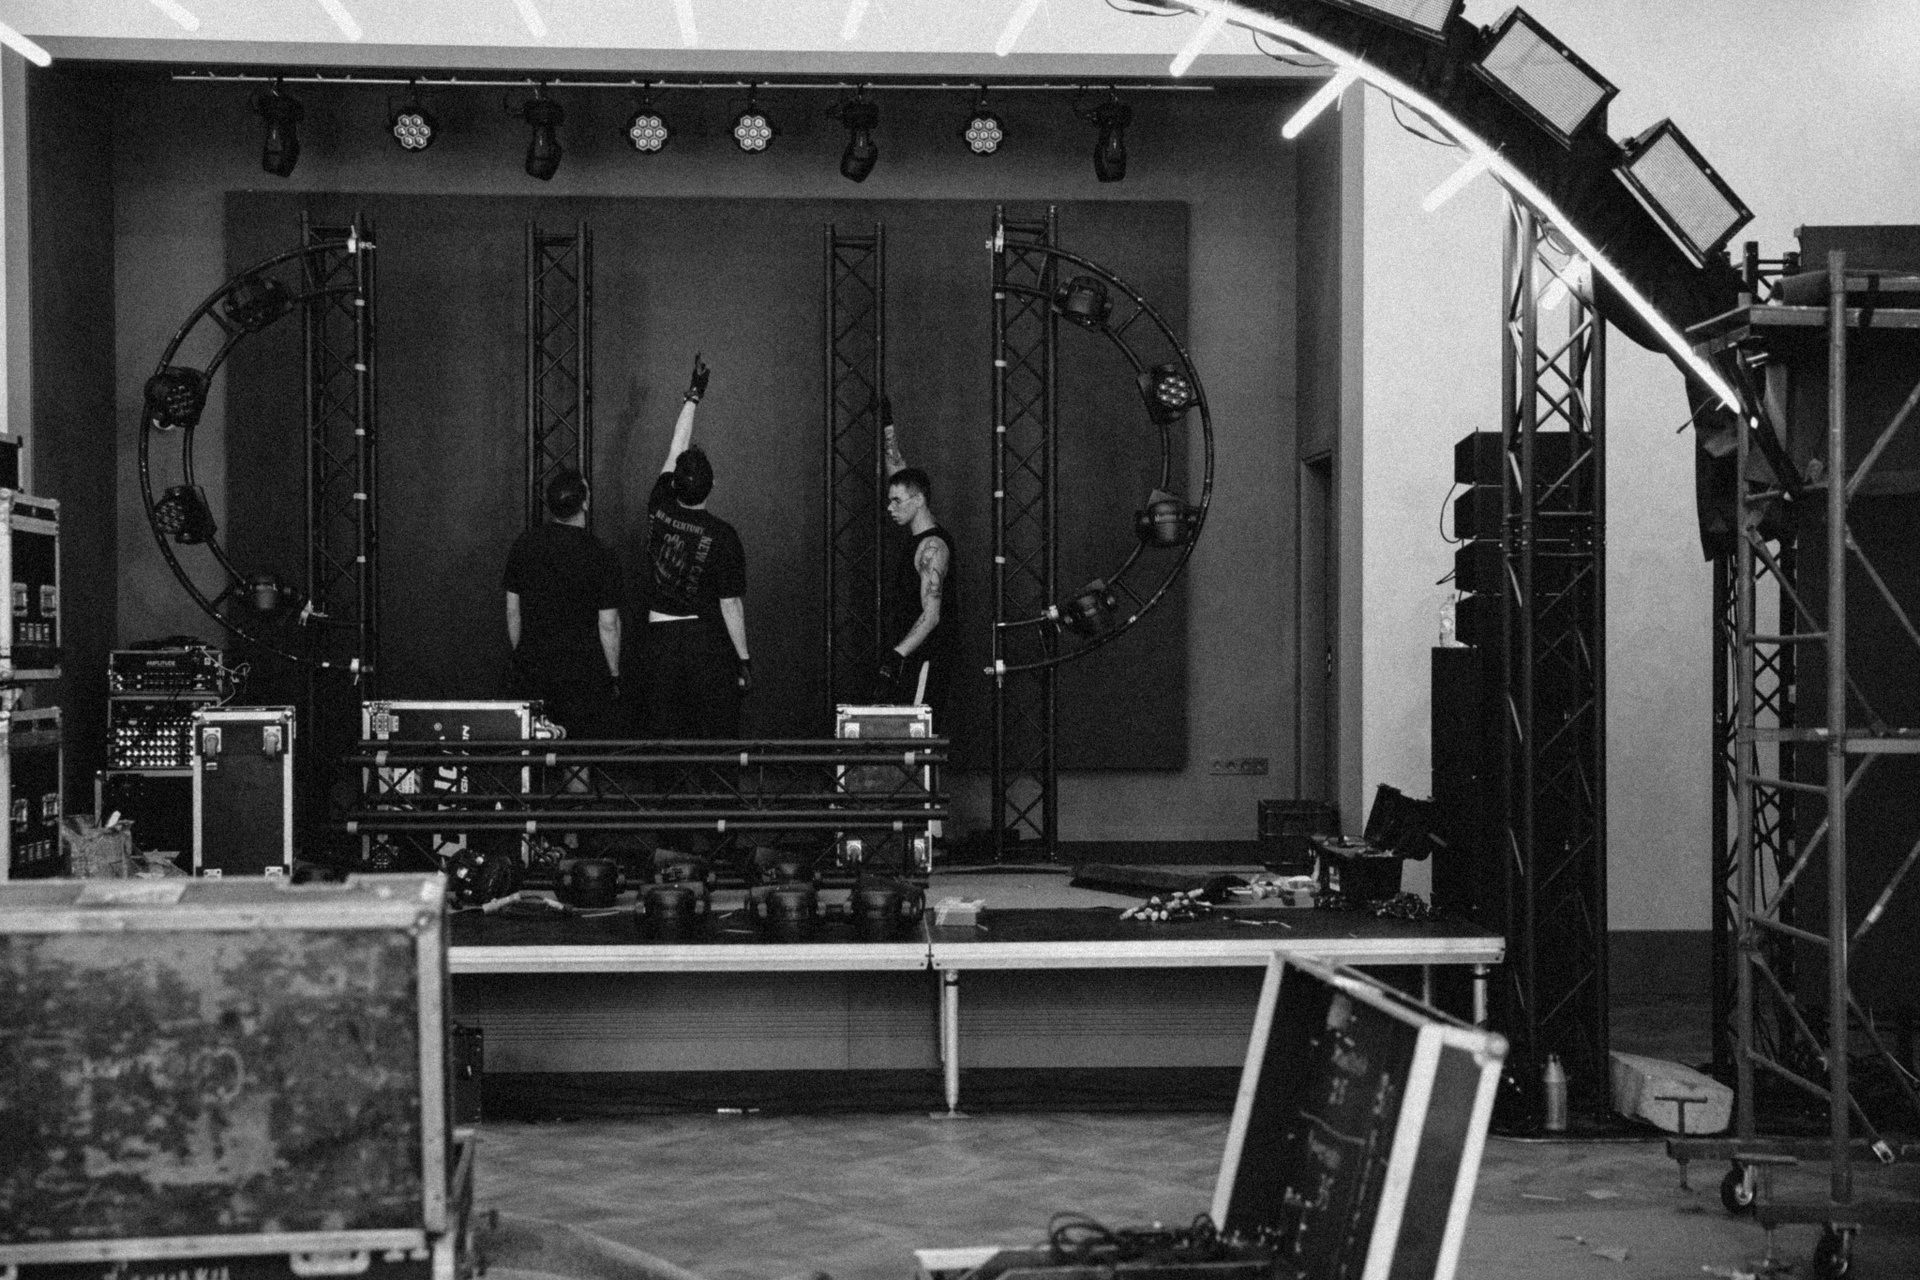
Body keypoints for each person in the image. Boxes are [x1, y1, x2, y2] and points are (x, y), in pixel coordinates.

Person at [645, 354, 751, 738]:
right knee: (710, 733)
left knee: (665, 733)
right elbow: (730, 604)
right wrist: (743, 657)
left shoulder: (659, 504)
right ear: (713, 486)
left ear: (674, 483)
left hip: (658, 638)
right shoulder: (723, 535)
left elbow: (676, 447)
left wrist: (693, 397)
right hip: (705, 641)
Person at [503, 468, 623, 739]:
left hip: (533, 667)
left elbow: (513, 611)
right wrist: (614, 673)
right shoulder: (602, 554)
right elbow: (608, 624)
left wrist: (522, 655)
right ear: (585, 503)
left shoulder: (524, 545)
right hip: (584, 673)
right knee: (578, 751)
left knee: (533, 748)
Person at [878, 398, 958, 730]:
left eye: (897, 502)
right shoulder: (916, 526)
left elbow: (931, 615)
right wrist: (887, 425)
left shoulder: (932, 548)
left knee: (915, 735)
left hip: (925, 659)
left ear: (919, 500)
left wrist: (898, 654)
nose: (890, 508)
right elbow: (898, 469)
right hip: (912, 657)